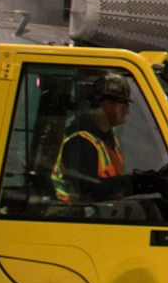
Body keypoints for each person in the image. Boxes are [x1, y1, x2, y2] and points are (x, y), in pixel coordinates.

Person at [52, 77, 140, 205]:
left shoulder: (107, 139)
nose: (127, 111)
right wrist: (132, 182)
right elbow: (90, 190)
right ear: (107, 105)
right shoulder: (80, 142)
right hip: (73, 216)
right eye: (124, 106)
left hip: (99, 214)